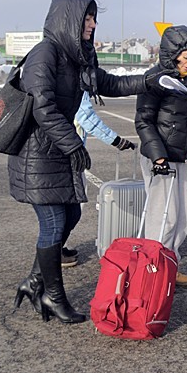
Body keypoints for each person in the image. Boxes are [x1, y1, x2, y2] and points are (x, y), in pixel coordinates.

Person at [9, 0, 166, 324]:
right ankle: (53, 297)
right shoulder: (45, 54)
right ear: (69, 19)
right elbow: (42, 107)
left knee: (71, 216)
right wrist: (73, 145)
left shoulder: (75, 57)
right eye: (87, 18)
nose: (93, 25)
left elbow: (109, 82)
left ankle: (35, 281)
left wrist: (149, 80)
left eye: (94, 19)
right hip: (37, 154)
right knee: (52, 223)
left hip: (57, 151)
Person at [136, 25, 187, 287]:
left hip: (181, 155)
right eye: (185, 57)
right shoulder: (154, 79)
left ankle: (170, 265)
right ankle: (153, 270)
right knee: (163, 217)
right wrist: (158, 156)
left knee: (183, 217)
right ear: (172, 54)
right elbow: (143, 121)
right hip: (161, 159)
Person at [57, 90, 136, 268]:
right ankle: (53, 253)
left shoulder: (55, 75)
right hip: (68, 155)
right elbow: (86, 117)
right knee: (72, 208)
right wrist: (116, 141)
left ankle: (55, 249)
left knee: (60, 207)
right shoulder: (75, 80)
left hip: (54, 151)